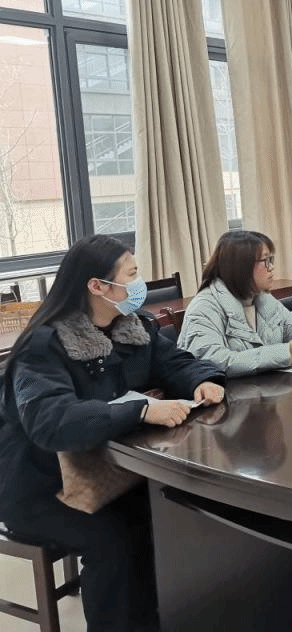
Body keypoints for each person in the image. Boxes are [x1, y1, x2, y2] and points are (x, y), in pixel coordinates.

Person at [0, 235, 225, 632]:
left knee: (172, 512)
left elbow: (174, 363)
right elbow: (51, 421)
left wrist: (202, 380)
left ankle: (164, 618)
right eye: (132, 275)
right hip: (37, 485)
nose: (140, 284)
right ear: (97, 286)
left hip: (106, 469)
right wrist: (140, 409)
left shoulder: (133, 327)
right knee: (115, 539)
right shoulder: (44, 345)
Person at [179, 230, 292, 376]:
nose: (271, 267)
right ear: (242, 267)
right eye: (266, 260)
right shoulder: (204, 307)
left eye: (271, 260)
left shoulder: (263, 298)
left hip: (266, 385)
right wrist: (287, 353)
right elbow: (214, 361)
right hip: (226, 389)